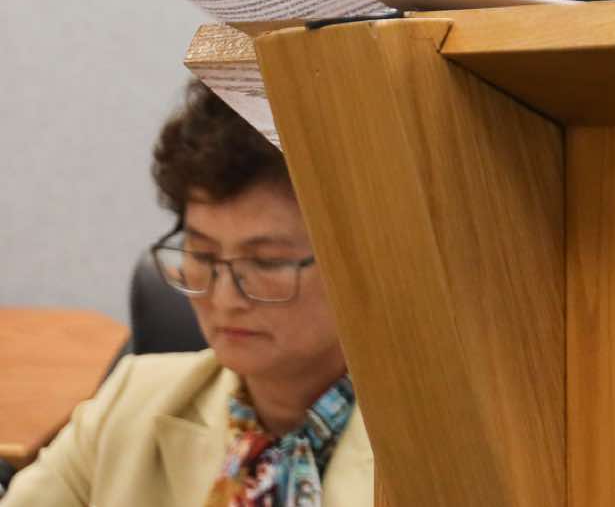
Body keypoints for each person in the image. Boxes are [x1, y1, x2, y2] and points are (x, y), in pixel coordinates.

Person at [8, 82, 371, 505]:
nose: (225, 299)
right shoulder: (132, 402)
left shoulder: (428, 441)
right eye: (203, 254)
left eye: (266, 262)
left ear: (360, 262)